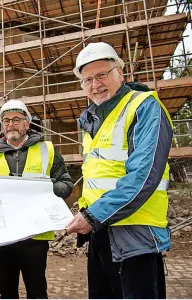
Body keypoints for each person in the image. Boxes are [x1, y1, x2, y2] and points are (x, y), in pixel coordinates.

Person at [66, 42, 173, 299]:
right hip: (101, 233)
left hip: (136, 235)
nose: (95, 85)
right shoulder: (94, 121)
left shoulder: (144, 107)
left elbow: (143, 176)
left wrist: (91, 217)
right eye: (87, 79)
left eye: (102, 75)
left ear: (120, 73)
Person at [0, 100, 74, 299]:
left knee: (37, 291)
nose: (10, 124)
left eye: (16, 119)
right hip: (3, 235)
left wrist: (44, 190)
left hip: (35, 235)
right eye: (6, 121)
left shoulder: (47, 150)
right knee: (6, 292)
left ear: (26, 124)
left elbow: (66, 184)